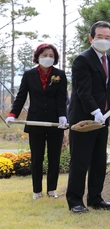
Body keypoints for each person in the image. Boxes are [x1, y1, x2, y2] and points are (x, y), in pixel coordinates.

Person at [66, 21, 110, 214]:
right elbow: (83, 91)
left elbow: (104, 87)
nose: (103, 40)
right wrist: (95, 111)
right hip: (84, 118)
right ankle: (75, 201)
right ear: (91, 38)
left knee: (99, 160)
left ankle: (95, 198)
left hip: (103, 118)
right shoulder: (82, 60)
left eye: (107, 37)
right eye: (99, 36)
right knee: (80, 160)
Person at [5, 44, 68, 200]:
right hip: (35, 121)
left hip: (55, 122)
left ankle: (52, 189)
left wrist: (62, 116)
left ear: (55, 58)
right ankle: (37, 191)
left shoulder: (60, 74)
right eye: (45, 55)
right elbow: (21, 96)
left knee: (54, 157)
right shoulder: (29, 75)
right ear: (38, 56)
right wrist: (13, 114)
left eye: (51, 55)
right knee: (37, 157)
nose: (48, 58)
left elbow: (62, 98)